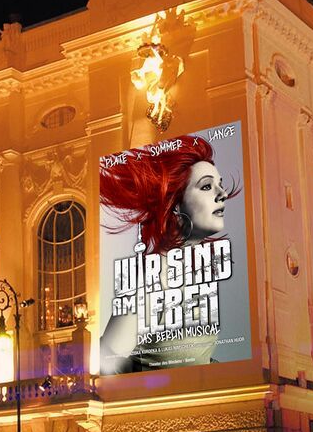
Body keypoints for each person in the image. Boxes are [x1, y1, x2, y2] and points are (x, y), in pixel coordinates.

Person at [97, 134, 238, 374]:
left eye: (219, 184)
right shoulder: (152, 278)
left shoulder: (195, 270)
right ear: (175, 205)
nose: (222, 193)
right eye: (206, 186)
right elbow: (106, 363)